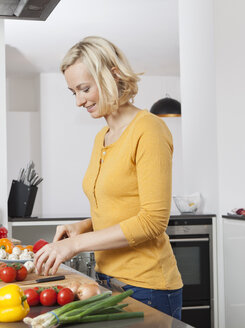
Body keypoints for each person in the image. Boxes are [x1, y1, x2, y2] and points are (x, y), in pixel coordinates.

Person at [33, 36, 183, 320]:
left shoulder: (149, 129)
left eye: (84, 89)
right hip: (106, 281)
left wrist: (74, 245)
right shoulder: (101, 137)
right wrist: (84, 227)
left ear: (112, 75)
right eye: (73, 92)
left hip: (147, 287)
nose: (79, 101)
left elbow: (152, 220)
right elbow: (122, 207)